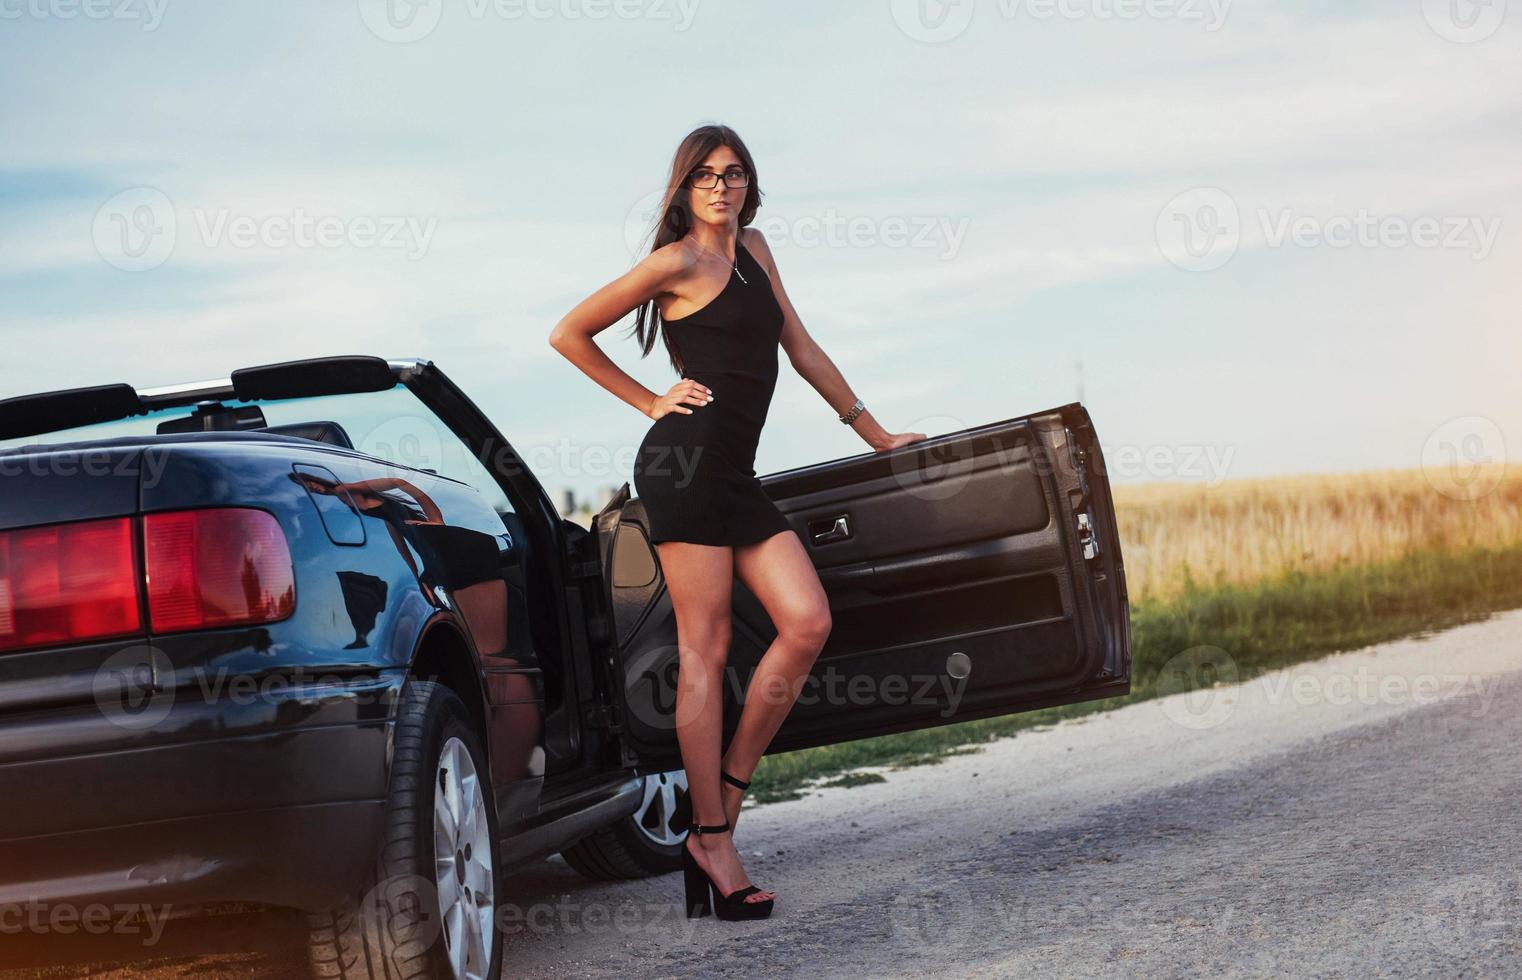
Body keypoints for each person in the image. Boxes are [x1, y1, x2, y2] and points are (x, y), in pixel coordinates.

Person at [549, 123, 926, 920]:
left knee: (806, 620)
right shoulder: (675, 262)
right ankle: (715, 842)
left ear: (749, 184)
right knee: (705, 650)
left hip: (734, 474)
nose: (722, 187)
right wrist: (651, 399)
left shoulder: (753, 251)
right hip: (683, 467)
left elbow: (802, 346)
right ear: (684, 190)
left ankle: (718, 802)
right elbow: (567, 333)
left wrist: (876, 432)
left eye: (735, 174)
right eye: (707, 176)